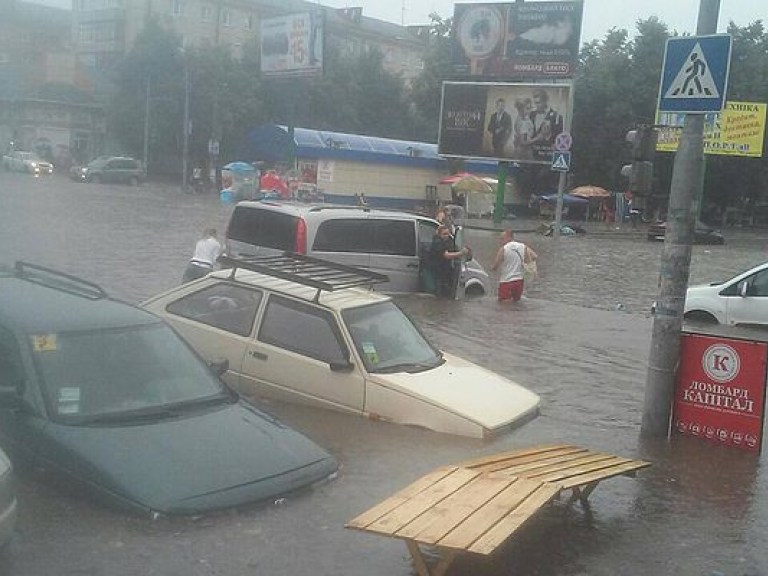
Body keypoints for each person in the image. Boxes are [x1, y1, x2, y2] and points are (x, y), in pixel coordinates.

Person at [491, 229, 538, 302]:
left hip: (506, 281)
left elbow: (495, 266)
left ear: (509, 237)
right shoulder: (522, 246)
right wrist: (524, 260)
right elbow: (535, 256)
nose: (501, 241)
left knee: (503, 306)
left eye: (502, 238)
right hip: (519, 281)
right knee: (516, 304)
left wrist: (492, 268)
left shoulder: (504, 249)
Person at [428, 225, 469, 298]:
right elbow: (446, 255)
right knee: (438, 294)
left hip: (446, 271)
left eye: (447, 233)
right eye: (444, 234)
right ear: (439, 234)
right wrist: (461, 253)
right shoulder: (437, 242)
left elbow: (454, 249)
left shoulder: (449, 240)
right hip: (437, 272)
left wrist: (465, 252)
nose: (446, 236)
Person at [529, 89, 563, 160]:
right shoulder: (531, 114)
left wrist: (548, 136)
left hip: (547, 156)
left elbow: (558, 139)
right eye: (535, 103)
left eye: (539, 103)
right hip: (532, 155)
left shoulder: (557, 117)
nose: (536, 106)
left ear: (545, 101)